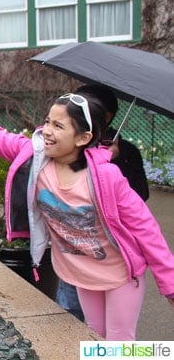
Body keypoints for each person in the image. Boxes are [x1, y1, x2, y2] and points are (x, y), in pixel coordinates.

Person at [0, 86, 174, 340]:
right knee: (94, 337)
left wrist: (169, 283)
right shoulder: (34, 158)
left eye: (58, 125)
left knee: (120, 345)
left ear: (83, 137)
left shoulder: (106, 176)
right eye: (47, 122)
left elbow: (145, 228)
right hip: (84, 273)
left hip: (121, 275)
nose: (47, 131)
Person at [56, 84, 150, 322]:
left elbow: (140, 199)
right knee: (70, 313)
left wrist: (112, 164)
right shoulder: (69, 146)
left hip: (114, 256)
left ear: (106, 115)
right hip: (77, 247)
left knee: (115, 332)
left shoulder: (125, 151)